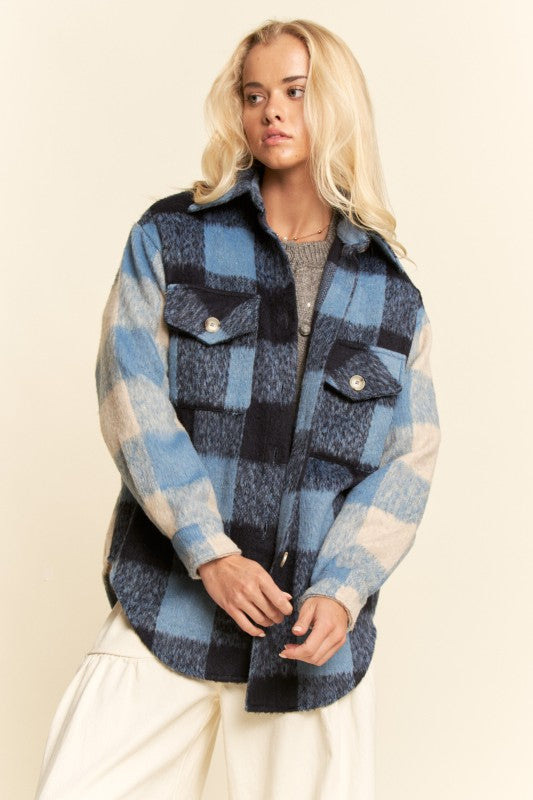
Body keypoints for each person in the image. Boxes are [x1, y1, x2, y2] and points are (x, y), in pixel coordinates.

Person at [34, 17, 441, 800]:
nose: (271, 111)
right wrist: (209, 550)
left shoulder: (393, 297)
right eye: (254, 95)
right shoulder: (172, 238)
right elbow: (129, 394)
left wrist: (342, 589)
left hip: (305, 639)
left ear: (337, 103)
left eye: (294, 91)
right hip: (169, 606)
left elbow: (408, 461)